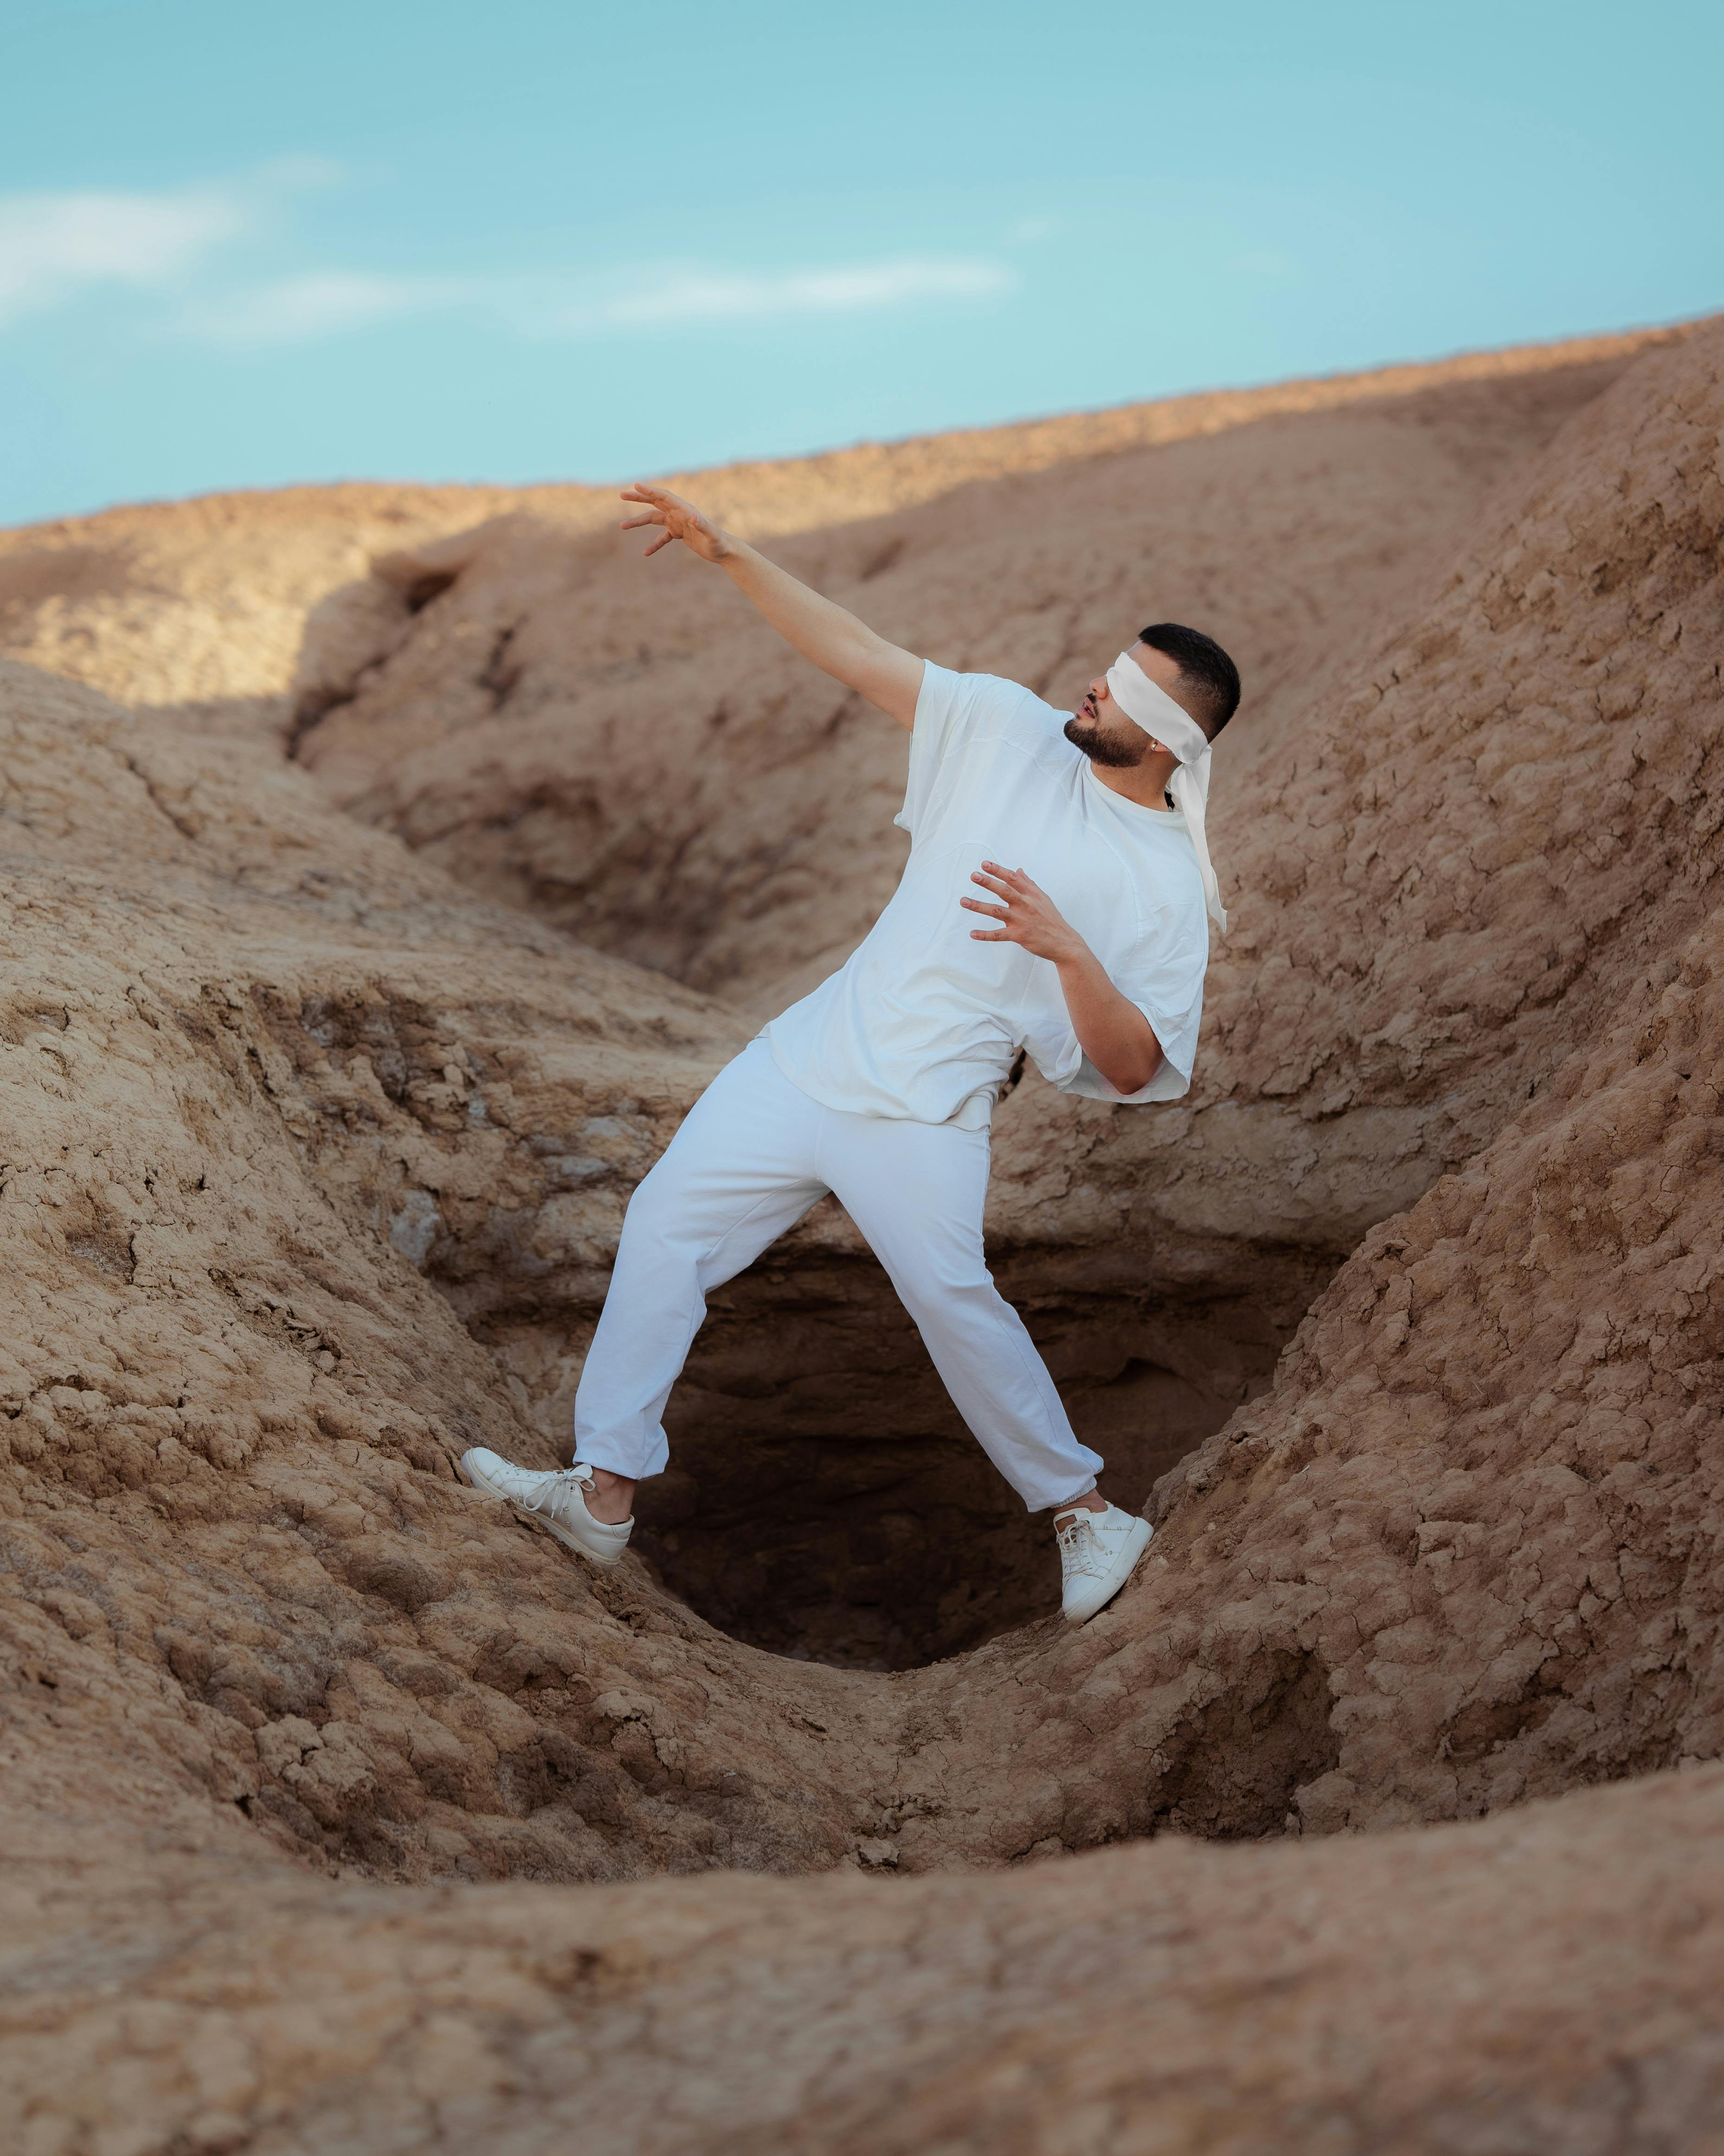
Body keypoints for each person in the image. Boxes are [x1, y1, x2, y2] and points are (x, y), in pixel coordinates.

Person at [461, 482, 1241, 1625]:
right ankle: (602, 1494)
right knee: (664, 1226)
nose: (1092, 686)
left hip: (921, 1112)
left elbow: (1132, 1068)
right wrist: (732, 555)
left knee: (951, 1300)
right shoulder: (1009, 731)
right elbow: (858, 654)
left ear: (1167, 734)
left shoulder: (1161, 883)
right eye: (1104, 668)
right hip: (803, 1058)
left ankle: (1084, 1512)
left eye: (1121, 689)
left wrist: (1070, 955)